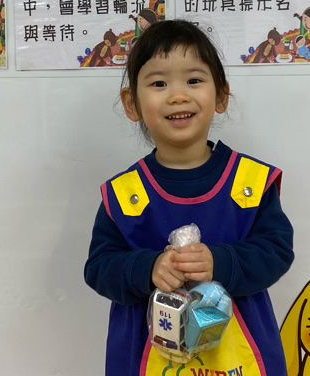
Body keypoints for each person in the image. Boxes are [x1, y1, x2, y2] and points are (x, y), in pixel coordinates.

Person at [84, 19, 295, 375]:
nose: (177, 95)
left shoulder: (250, 182)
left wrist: (221, 263)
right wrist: (149, 268)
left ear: (222, 95)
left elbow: (277, 251)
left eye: (194, 80)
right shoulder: (124, 193)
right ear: (132, 103)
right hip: (145, 356)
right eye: (159, 83)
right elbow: (99, 268)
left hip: (239, 355)